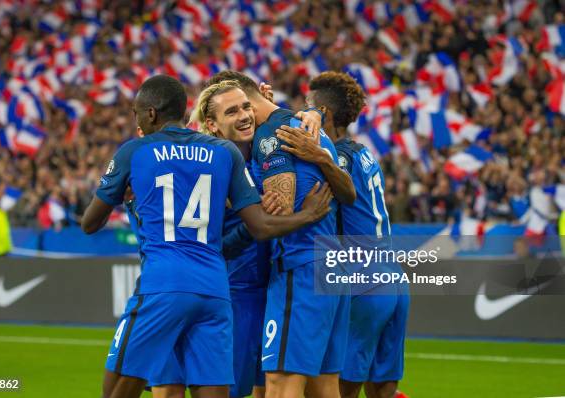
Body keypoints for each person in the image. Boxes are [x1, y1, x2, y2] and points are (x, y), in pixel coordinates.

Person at [81, 75, 334, 398]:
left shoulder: (136, 151)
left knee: (122, 389)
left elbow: (90, 223)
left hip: (164, 282)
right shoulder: (224, 153)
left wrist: (127, 197)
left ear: (151, 115)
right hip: (215, 289)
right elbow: (260, 226)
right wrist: (308, 215)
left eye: (137, 112)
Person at [206, 70, 355, 398]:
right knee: (324, 385)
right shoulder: (308, 126)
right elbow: (349, 193)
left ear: (248, 100)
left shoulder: (270, 136)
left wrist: (241, 194)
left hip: (299, 265)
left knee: (280, 382)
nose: (243, 117)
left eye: (242, 108)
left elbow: (280, 211)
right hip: (334, 263)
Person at [277, 71, 409, 398]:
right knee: (383, 390)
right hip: (392, 278)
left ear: (326, 114)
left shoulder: (340, 158)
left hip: (361, 281)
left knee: (332, 389)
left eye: (309, 106)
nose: (303, 113)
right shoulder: (363, 153)